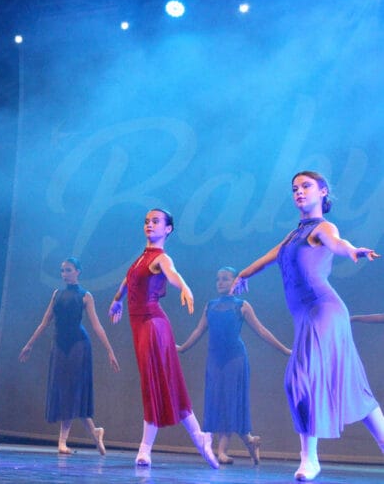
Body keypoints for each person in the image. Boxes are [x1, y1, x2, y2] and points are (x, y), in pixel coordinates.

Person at [231, 170, 384, 481]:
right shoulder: (292, 237)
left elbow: (338, 243)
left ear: (323, 192)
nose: (299, 192)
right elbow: (267, 259)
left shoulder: (323, 228)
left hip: (324, 310)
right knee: (351, 384)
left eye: (306, 186)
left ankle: (309, 459)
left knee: (299, 379)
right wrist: (242, 275)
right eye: (295, 188)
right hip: (306, 317)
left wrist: (352, 251)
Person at [108, 208, 219, 469]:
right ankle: (200, 437)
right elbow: (128, 280)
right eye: (147, 221)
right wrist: (117, 300)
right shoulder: (141, 258)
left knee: (153, 382)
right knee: (165, 383)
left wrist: (185, 287)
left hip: (153, 324)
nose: (149, 224)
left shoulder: (161, 258)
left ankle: (145, 449)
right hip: (140, 324)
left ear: (168, 229)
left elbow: (172, 274)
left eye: (156, 221)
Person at [177, 266, 292, 465]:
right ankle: (250, 441)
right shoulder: (210, 306)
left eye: (225, 279)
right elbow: (198, 331)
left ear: (234, 282)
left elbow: (261, 331)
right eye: (218, 279)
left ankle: (222, 451)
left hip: (234, 360)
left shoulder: (242, 306)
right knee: (217, 401)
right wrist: (182, 348)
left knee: (230, 401)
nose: (220, 282)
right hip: (215, 360)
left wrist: (285, 350)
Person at [19, 257, 120, 455]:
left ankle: (63, 442)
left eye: (68, 270)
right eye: (62, 270)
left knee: (71, 392)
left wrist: (110, 350)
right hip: (59, 346)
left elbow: (97, 325)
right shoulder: (56, 294)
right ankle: (95, 431)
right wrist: (29, 344)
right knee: (66, 393)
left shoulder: (85, 296)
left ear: (77, 271)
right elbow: (44, 322)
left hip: (78, 347)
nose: (64, 274)